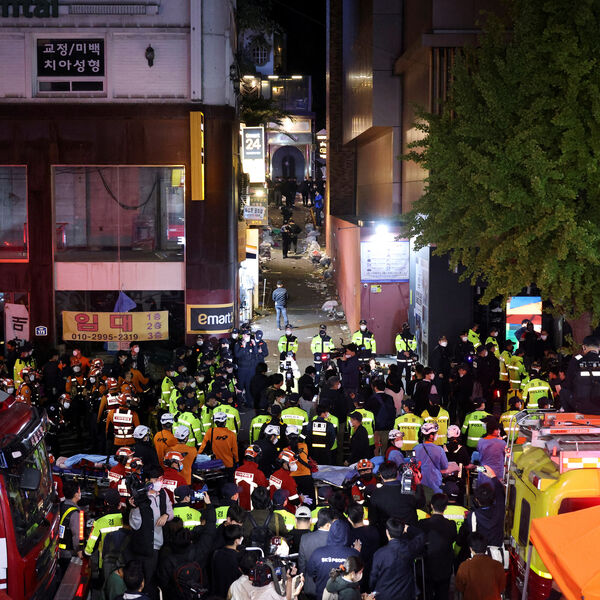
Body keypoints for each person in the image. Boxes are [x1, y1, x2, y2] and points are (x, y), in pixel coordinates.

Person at [456, 465, 505, 561]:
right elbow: (501, 496)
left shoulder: (473, 516)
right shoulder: (499, 511)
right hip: (496, 558)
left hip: (479, 557)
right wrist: (493, 477)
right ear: (493, 499)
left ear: (477, 500)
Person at [370, 517, 425, 600]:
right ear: (403, 532)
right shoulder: (409, 548)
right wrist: (408, 528)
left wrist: (373, 591)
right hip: (406, 594)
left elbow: (373, 578)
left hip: (384, 595)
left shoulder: (379, 554)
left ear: (387, 532)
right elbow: (421, 535)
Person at [306, 519, 360, 600]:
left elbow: (311, 573)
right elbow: (359, 577)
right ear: (347, 534)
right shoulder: (354, 554)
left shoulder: (317, 553)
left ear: (330, 533)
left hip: (322, 596)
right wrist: (357, 553)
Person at [368, 461, 424, 538]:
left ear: (381, 475)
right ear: (397, 473)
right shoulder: (408, 490)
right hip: (410, 534)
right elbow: (421, 503)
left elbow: (373, 520)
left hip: (388, 536)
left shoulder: (375, 494)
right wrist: (418, 483)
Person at [418, 494, 457, 600]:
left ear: (431, 505)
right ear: (446, 507)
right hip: (445, 568)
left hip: (427, 567)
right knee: (443, 595)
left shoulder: (422, 524)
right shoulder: (451, 525)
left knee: (427, 595)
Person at [455, 532, 506, 600]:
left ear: (471, 549)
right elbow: (502, 588)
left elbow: (459, 587)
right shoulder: (498, 565)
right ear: (485, 547)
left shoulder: (464, 566)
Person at [298, 508, 336, 598]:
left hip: (311, 587)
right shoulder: (336, 540)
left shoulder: (305, 538)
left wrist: (301, 582)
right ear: (330, 523)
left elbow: (302, 564)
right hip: (331, 587)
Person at [84, 489, 123, 570]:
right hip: (122, 562)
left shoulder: (99, 521)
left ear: (105, 503)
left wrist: (86, 554)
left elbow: (91, 544)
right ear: (119, 504)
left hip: (105, 562)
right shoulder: (124, 519)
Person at [414, 422, 452, 495]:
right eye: (435, 433)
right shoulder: (439, 449)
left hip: (420, 482)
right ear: (431, 436)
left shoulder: (416, 448)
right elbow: (444, 466)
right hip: (435, 483)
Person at [211, 524, 243, 598]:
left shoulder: (216, 554)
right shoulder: (239, 558)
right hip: (232, 595)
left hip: (218, 594)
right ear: (237, 541)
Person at [59, 480, 84, 572]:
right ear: (76, 494)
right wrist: (79, 550)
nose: (80, 493)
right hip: (69, 554)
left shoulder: (61, 505)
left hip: (59, 551)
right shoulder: (76, 513)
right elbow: (77, 535)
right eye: (79, 491)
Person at [234, 444, 269, 510]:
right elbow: (263, 491)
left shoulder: (237, 470)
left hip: (239, 508)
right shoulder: (258, 473)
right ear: (257, 457)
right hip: (253, 510)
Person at [368, 379, 396, 457]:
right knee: (385, 447)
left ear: (375, 387)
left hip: (376, 427)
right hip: (387, 427)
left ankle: (376, 461)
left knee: (376, 447)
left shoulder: (371, 398)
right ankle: (384, 461)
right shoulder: (390, 398)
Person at [477, 418, 507, 485]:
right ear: (495, 431)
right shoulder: (502, 443)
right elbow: (507, 457)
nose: (499, 431)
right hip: (497, 474)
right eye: (498, 429)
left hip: (483, 472)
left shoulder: (480, 442)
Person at [395, 322, 417, 387]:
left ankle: (408, 389)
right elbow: (397, 346)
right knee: (399, 375)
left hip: (408, 359)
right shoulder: (399, 336)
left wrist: (409, 352)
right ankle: (399, 388)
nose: (406, 329)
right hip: (401, 359)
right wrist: (404, 352)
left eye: (407, 327)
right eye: (405, 327)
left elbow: (414, 346)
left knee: (408, 376)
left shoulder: (412, 337)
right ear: (402, 328)